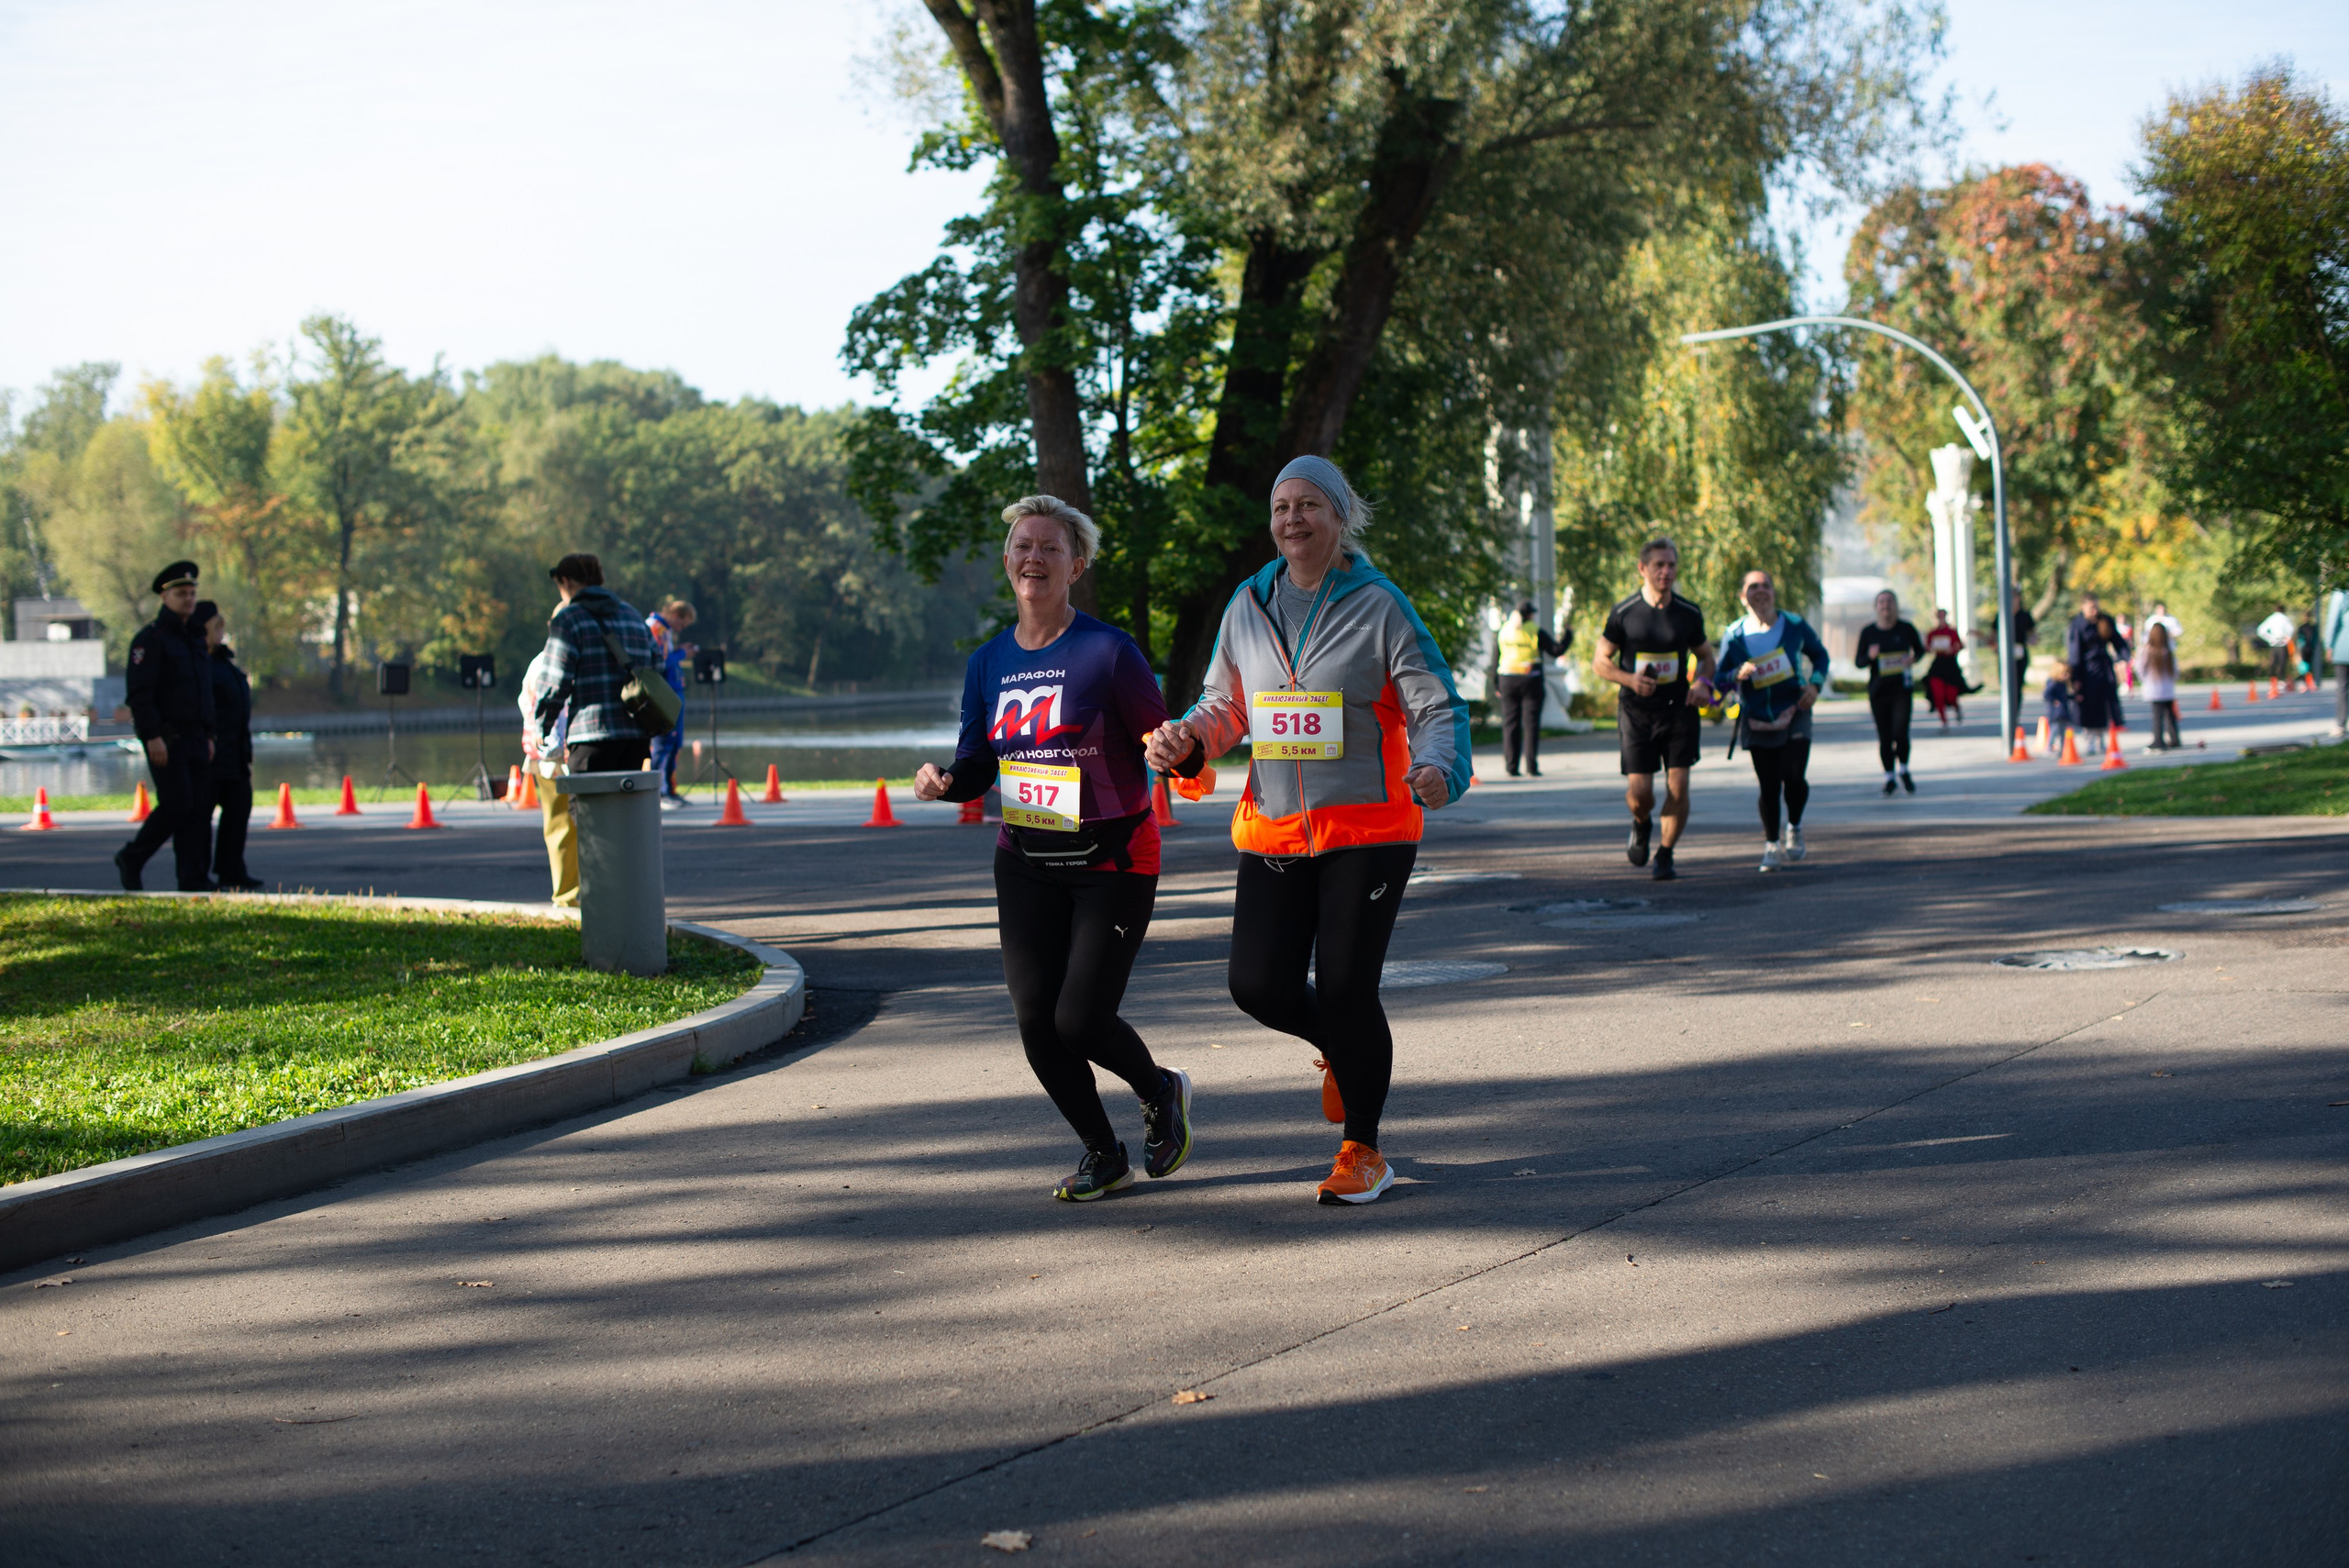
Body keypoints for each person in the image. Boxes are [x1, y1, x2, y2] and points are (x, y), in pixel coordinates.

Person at [1146, 455, 1469, 1206]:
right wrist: (1184, 741)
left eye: (1309, 505)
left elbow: (1435, 704)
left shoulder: (1381, 604)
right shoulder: (1248, 603)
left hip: (1369, 829)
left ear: (1339, 516)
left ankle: (1363, 1147)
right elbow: (1223, 704)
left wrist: (1436, 767)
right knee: (1256, 985)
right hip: (1275, 830)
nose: (1292, 518)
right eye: (1281, 506)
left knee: (1351, 986)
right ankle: (1339, 1047)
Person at [917, 497, 1192, 1203]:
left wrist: (1178, 753)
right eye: (1021, 545)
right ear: (1007, 562)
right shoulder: (989, 662)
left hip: (1113, 860)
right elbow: (977, 762)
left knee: (1081, 1017)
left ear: (1077, 564)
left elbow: (1169, 743)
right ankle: (1103, 1152)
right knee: (1037, 1019)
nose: (1033, 557)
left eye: (1049, 547)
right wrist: (946, 781)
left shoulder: (1108, 652)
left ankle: (1160, 1090)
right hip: (1027, 863)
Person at [1593, 539, 1716, 882]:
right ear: (1642, 569)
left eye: (1672, 565)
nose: (1666, 571)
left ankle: (1666, 853)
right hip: (1636, 713)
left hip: (1679, 710)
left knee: (1678, 787)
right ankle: (1641, 822)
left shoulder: (1688, 613)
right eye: (1659, 565)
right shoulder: (1625, 612)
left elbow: (1706, 656)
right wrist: (1629, 680)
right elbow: (1600, 662)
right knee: (1640, 793)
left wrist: (1702, 684)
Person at [1715, 571, 1829, 872]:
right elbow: (1719, 678)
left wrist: (1815, 686)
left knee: (1793, 775)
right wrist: (1735, 675)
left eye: (1766, 585)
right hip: (1757, 716)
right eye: (1753, 586)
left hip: (1795, 709)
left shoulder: (1794, 625)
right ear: (1743, 596)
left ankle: (1794, 825)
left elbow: (1820, 656)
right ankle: (1771, 844)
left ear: (1774, 592)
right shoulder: (1734, 634)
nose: (1761, 591)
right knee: (1768, 785)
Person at [114, 561, 217, 892]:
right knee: (177, 804)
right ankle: (132, 857)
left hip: (198, 737)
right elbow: (140, 694)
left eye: (191, 593)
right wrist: (152, 736)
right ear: (164, 597)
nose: (188, 599)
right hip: (167, 738)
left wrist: (210, 734)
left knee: (199, 809)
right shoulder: (151, 639)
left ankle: (193, 878)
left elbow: (204, 692)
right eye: (180, 593)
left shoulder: (195, 638)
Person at [530, 553, 661, 783]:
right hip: (635, 736)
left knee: (588, 812)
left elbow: (555, 681)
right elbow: (657, 664)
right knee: (624, 813)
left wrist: (542, 725)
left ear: (566, 581)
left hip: (591, 734)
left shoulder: (569, 618)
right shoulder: (632, 615)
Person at [196, 601, 262, 892]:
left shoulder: (225, 663)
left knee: (238, 810)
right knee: (200, 818)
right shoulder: (202, 665)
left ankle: (231, 869)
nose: (222, 633)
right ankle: (199, 873)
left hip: (235, 754)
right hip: (212, 755)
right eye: (216, 627)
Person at [519, 647, 576, 906]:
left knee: (558, 825)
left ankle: (566, 893)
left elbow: (525, 703)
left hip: (542, 754)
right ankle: (571, 894)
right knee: (570, 825)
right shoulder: (567, 659)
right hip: (565, 753)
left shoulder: (536, 662)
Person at [1854, 589, 1925, 795]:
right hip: (1878, 692)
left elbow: (1919, 651)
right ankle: (1889, 777)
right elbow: (1859, 662)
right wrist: (1870, 656)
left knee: (1900, 733)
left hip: (1902, 690)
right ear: (1876, 607)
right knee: (1885, 737)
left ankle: (1904, 769)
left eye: (1890, 602)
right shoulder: (1869, 632)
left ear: (1896, 606)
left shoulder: (1906, 628)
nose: (1886, 606)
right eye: (1882, 602)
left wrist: (1912, 659)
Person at [1495, 599, 1569, 777]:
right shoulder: (1535, 631)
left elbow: (1496, 658)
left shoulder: (1504, 631)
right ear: (1530, 615)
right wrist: (1569, 635)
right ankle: (1531, 767)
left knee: (1510, 724)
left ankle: (1511, 767)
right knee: (1531, 725)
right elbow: (1556, 650)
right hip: (1530, 681)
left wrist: (1496, 683)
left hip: (1507, 680)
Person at [647, 599, 697, 806]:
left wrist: (677, 649)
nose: (681, 628)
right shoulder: (655, 628)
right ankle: (658, 791)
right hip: (663, 695)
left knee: (675, 742)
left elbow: (665, 654)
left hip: (674, 692)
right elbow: (658, 661)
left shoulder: (665, 631)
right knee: (664, 742)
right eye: (682, 624)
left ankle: (669, 787)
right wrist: (683, 654)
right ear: (676, 615)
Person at [2066, 593, 2118, 745]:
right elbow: (2074, 653)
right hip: (2086, 670)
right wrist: (2075, 677)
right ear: (2083, 607)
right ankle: (2089, 735)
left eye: (2096, 607)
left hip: (2103, 667)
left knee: (2104, 702)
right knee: (2088, 704)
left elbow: (2117, 640)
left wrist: (2125, 658)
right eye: (2091, 608)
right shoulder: (2077, 625)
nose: (2094, 611)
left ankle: (2101, 734)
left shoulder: (2105, 621)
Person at [2134, 621, 2181, 751]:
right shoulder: (2168, 650)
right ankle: (2174, 739)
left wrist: (2144, 680)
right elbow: (2176, 670)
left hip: (2153, 688)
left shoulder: (2147, 650)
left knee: (2157, 716)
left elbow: (2140, 668)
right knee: (2169, 715)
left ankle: (2158, 740)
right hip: (2168, 688)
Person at [1921, 609, 1966, 727]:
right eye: (1938, 616)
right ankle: (1944, 721)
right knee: (1938, 694)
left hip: (1950, 664)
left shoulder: (1951, 632)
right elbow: (1927, 648)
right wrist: (1929, 648)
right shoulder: (1932, 633)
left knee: (1950, 695)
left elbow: (1960, 645)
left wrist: (1953, 650)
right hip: (1938, 664)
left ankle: (1956, 707)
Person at [2325, 587, 2349, 738]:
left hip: (2343, 647)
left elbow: (2333, 622)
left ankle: (2340, 724)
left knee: (2342, 687)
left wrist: (2329, 646)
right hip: (2343, 648)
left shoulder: (2341, 594)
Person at [2043, 658, 2078, 746]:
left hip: (2063, 711)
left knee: (2064, 730)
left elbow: (2065, 696)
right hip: (2056, 712)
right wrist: (2055, 700)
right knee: (2055, 729)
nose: (2067, 676)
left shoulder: (2063, 684)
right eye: (2065, 673)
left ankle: (2064, 747)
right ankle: (2050, 746)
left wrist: (2074, 696)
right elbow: (2047, 694)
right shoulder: (2054, 683)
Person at [2256, 604, 2295, 682]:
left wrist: (2270, 638)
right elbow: (2291, 630)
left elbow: (2260, 630)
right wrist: (2287, 639)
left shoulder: (2271, 618)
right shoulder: (2285, 618)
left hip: (2273, 642)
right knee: (2282, 662)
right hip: (2282, 643)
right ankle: (2281, 679)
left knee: (2273, 662)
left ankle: (2272, 679)